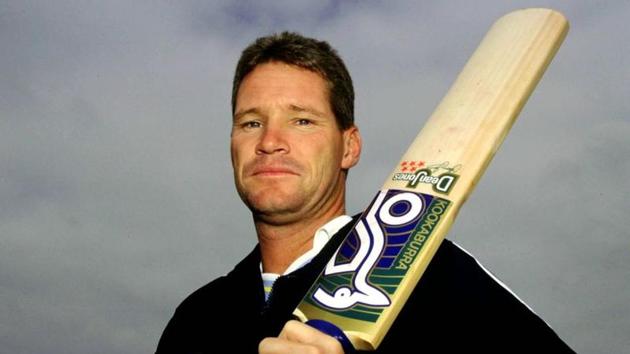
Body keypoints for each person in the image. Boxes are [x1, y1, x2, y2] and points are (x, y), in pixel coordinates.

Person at [156, 32, 574, 353]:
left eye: (302, 121)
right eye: (250, 123)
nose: (270, 141)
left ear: (349, 147)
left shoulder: (427, 271)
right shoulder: (196, 320)